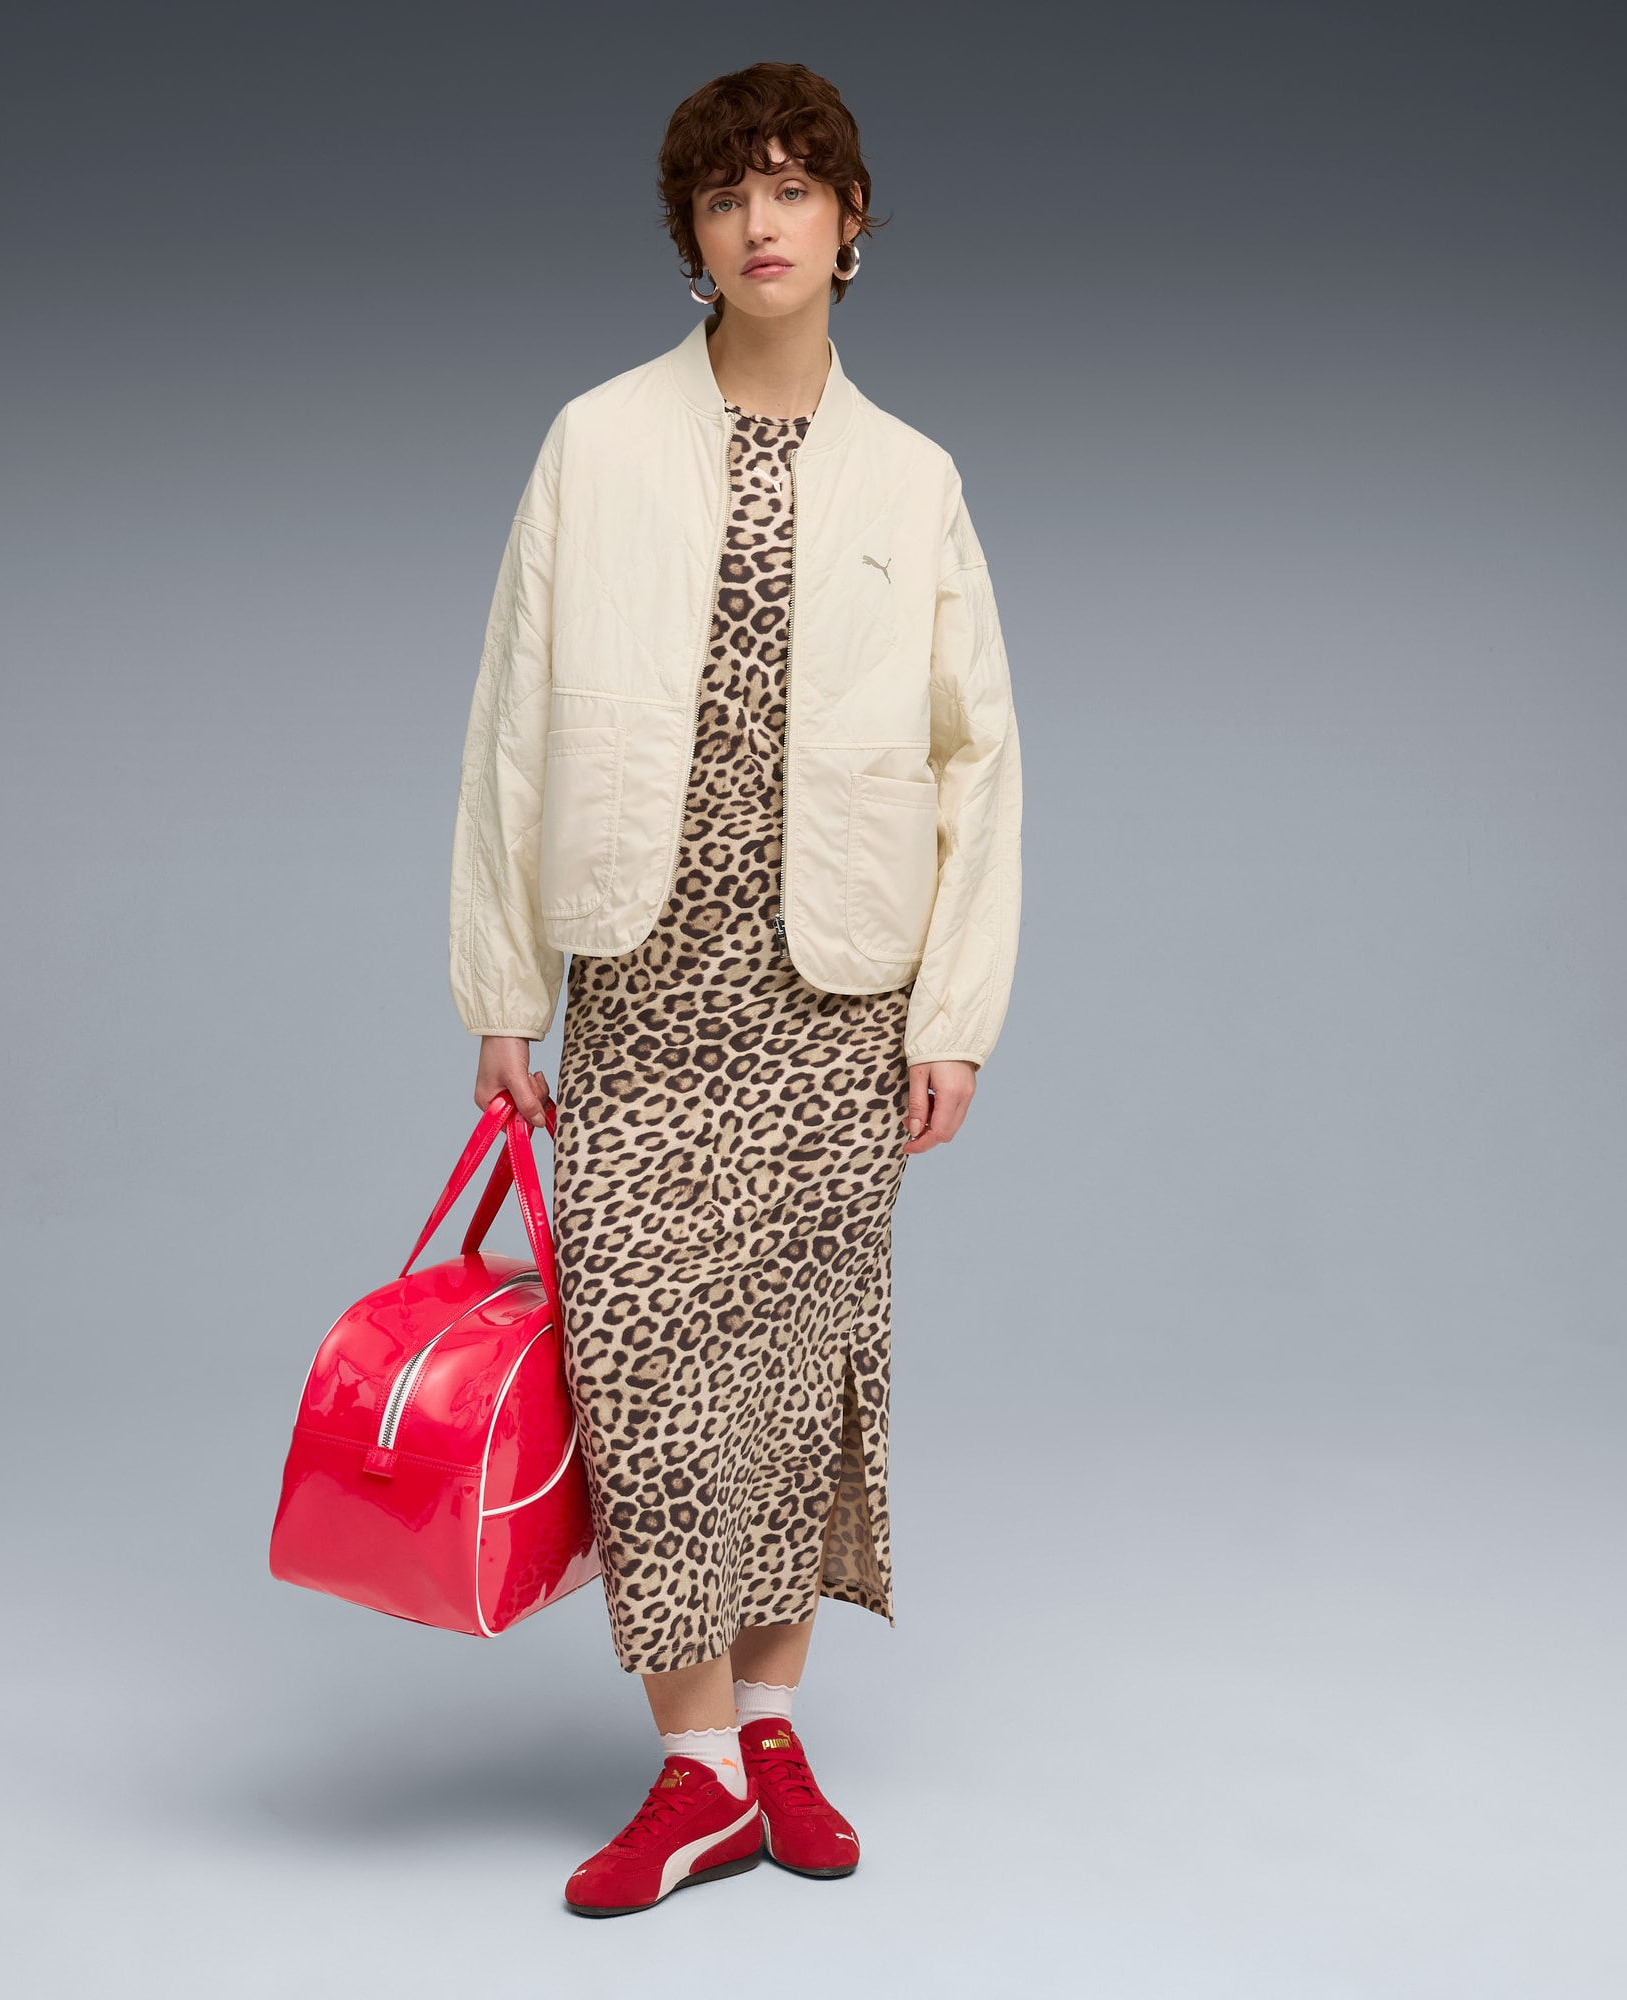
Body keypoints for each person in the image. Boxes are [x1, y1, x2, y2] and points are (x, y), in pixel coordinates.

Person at [447, 60, 1022, 1916]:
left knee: (792, 1372)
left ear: (852, 227)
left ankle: (765, 1735)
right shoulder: (595, 442)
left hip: (835, 998)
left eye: (793, 188)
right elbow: (513, 728)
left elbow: (979, 761)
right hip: (642, 981)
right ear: (691, 237)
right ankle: (693, 1769)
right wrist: (502, 988)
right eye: (725, 195)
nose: (760, 221)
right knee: (641, 1367)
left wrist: (953, 1017)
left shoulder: (913, 478)